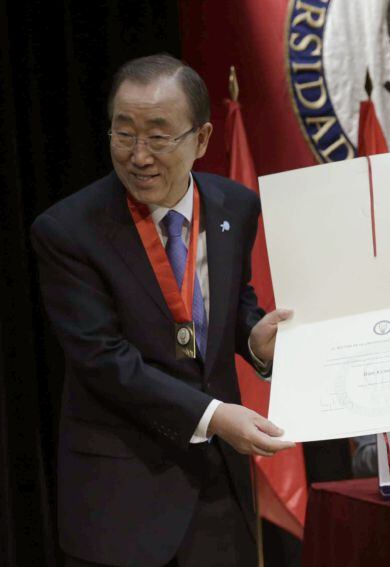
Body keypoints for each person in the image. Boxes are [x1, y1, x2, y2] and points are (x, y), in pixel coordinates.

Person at [31, 54, 294, 566]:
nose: (139, 155)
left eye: (158, 135)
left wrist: (253, 342)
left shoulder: (235, 206)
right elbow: (103, 359)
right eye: (123, 133)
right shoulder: (67, 231)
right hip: (122, 496)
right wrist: (216, 416)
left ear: (202, 138)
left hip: (218, 487)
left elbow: (231, 305)